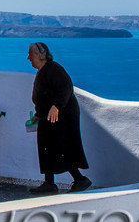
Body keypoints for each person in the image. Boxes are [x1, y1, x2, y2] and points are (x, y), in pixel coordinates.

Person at [26, 42, 92, 195]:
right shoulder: (43, 71)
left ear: (40, 55)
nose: (28, 58)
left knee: (62, 148)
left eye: (30, 54)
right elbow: (44, 96)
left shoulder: (54, 69)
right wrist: (38, 114)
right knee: (47, 148)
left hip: (61, 117)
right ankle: (49, 183)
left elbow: (66, 87)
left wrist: (57, 106)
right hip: (48, 116)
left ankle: (80, 179)